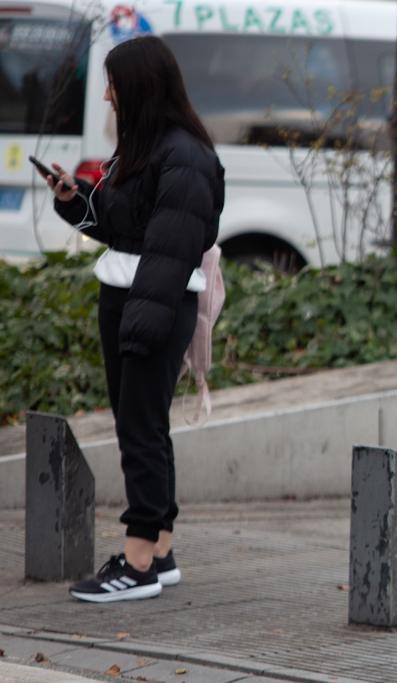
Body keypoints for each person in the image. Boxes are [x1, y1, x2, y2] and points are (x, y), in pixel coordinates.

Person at [42, 36, 225, 603]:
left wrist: (142, 325)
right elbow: (128, 227)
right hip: (135, 300)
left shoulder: (184, 158)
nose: (107, 95)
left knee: (139, 432)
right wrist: (77, 200)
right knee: (144, 428)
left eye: (114, 84)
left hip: (152, 304)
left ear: (140, 88)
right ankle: (161, 549)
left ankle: (139, 558)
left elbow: (168, 255)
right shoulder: (148, 149)